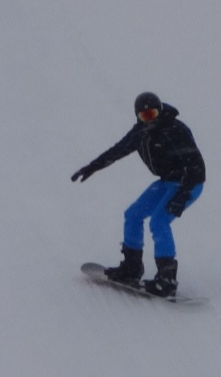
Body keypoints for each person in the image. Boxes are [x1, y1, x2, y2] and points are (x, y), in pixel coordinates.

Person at [71, 92, 206, 296]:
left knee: (159, 222)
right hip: (167, 181)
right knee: (133, 215)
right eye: (145, 116)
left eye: (153, 114)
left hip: (189, 182)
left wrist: (182, 195)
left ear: (160, 111)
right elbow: (117, 150)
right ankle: (131, 268)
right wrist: (92, 167)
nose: (150, 120)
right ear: (138, 117)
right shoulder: (140, 133)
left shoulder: (175, 130)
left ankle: (167, 280)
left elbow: (197, 166)